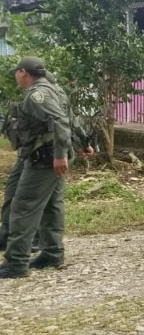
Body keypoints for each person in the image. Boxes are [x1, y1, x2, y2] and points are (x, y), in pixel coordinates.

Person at [0, 57, 88, 278]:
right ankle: (51, 253)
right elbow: (70, 116)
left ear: (23, 72)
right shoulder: (54, 88)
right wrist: (84, 142)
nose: (16, 76)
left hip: (45, 158)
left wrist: (59, 156)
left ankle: (16, 262)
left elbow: (60, 121)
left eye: (16, 72)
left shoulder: (37, 94)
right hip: (48, 155)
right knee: (52, 205)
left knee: (23, 207)